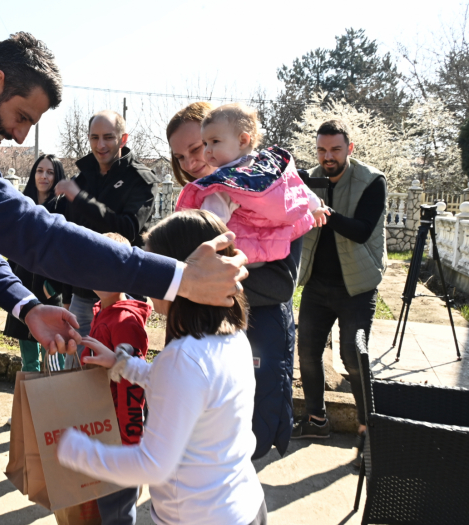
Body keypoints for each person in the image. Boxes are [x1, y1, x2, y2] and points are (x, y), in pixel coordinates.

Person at [0, 33, 249, 524]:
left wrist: (27, 306)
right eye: (22, 118)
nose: (20, 136)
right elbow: (33, 233)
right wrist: (178, 278)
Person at [58, 209, 267, 525]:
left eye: (154, 266)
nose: (147, 277)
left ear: (183, 271)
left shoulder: (184, 357)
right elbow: (185, 391)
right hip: (242, 505)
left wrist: (74, 449)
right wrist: (122, 363)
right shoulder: (230, 337)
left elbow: (152, 465)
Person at [168, 101, 297, 459]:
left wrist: (205, 284)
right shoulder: (196, 201)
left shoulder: (263, 193)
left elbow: (282, 283)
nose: (193, 161)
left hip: (259, 337)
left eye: (199, 147)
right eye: (181, 156)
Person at [293, 120, 387, 469]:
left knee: (353, 357)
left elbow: (362, 231)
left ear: (350, 148)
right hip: (318, 284)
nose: (327, 157)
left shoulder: (372, 181)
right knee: (307, 352)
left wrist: (324, 213)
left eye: (334, 149)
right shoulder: (308, 179)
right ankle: (316, 421)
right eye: (321, 150)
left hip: (357, 287)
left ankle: (368, 434)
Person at [54, 110, 160, 364]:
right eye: (95, 137)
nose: (101, 145)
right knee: (78, 373)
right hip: (82, 293)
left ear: (123, 139)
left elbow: (127, 229)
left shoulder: (141, 180)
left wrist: (81, 200)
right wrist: (67, 296)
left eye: (108, 137)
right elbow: (71, 241)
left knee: (122, 373)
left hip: (123, 295)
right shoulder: (80, 179)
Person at [176, 103, 329, 266]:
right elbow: (296, 187)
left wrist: (192, 247)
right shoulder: (271, 167)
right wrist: (314, 207)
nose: (208, 150)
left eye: (215, 141)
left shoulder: (225, 182)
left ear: (243, 140)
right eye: (205, 143)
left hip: (239, 252)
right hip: (273, 246)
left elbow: (211, 223)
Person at [78, 232, 151, 525]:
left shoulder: (124, 320)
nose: (100, 276)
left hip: (120, 434)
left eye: (109, 269)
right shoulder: (103, 310)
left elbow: (132, 384)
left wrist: (128, 441)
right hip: (104, 423)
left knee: (117, 506)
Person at [3, 154, 69, 371]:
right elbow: (11, 245)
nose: (44, 176)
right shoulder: (22, 204)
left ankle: (55, 404)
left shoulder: (63, 208)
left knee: (54, 358)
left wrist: (54, 288)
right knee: (29, 361)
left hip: (50, 290)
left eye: (50, 172)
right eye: (40, 171)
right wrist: (11, 278)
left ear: (57, 176)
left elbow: (66, 252)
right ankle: (30, 404)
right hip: (23, 289)